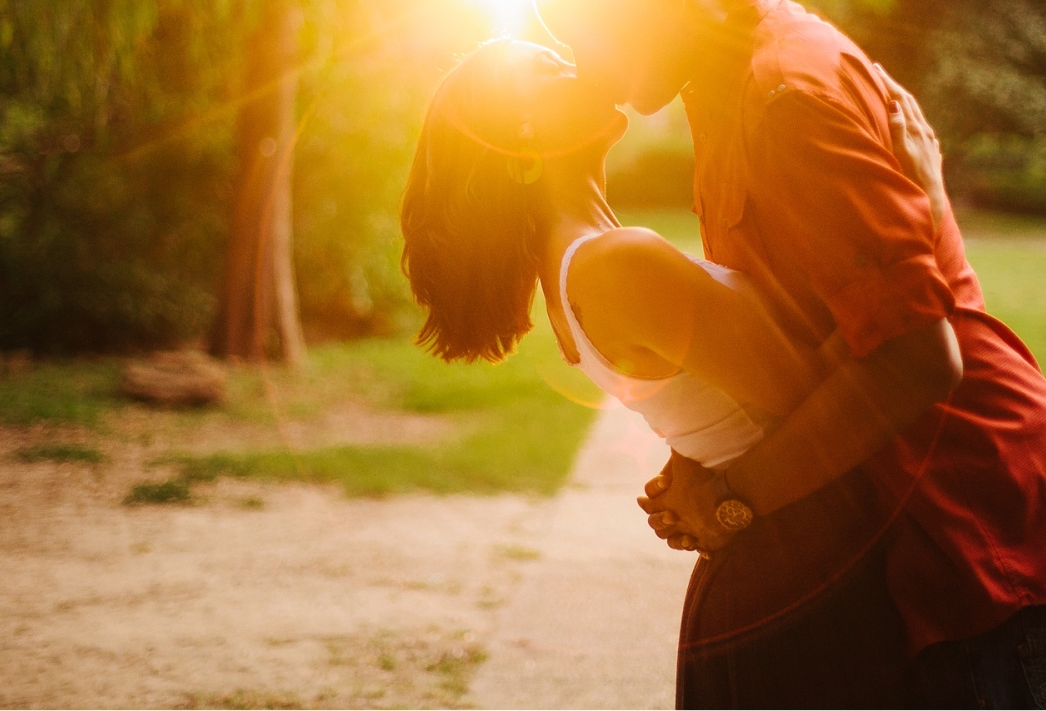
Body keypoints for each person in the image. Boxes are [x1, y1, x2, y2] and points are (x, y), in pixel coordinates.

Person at [534, 0, 1046, 709]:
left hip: (963, 519)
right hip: (892, 524)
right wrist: (712, 457)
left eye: (591, 40)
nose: (588, 72)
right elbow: (806, 324)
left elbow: (917, 356)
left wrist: (735, 495)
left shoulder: (786, 94)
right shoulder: (722, 87)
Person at [400, 38, 955, 706]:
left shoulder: (587, 262)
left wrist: (701, 462)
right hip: (798, 581)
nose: (581, 63)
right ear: (522, 139)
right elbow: (831, 389)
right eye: (549, 70)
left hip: (786, 572)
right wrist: (919, 205)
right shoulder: (613, 265)